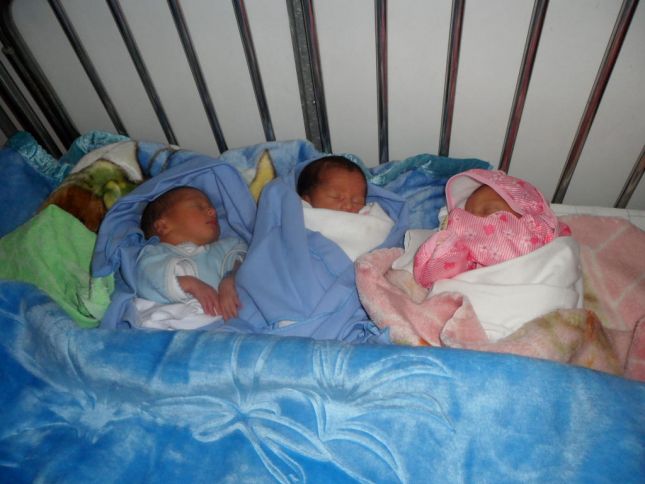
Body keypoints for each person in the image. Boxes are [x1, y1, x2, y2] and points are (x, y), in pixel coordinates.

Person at [413, 169, 571, 288]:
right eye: (469, 214)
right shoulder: (465, 253)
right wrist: (445, 247)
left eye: (489, 211)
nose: (475, 221)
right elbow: (431, 279)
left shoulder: (538, 236)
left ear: (527, 214)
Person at [136, 186, 247, 320]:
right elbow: (145, 280)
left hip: (222, 323)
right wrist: (190, 284)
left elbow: (247, 262)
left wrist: (231, 278)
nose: (213, 211)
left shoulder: (227, 247)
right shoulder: (154, 254)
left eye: (212, 208)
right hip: (169, 321)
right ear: (163, 226)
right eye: (199, 207)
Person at [296, 155, 395, 261]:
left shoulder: (368, 214)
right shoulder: (300, 213)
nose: (348, 206)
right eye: (336, 197)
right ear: (306, 199)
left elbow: (384, 231)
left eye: (357, 201)